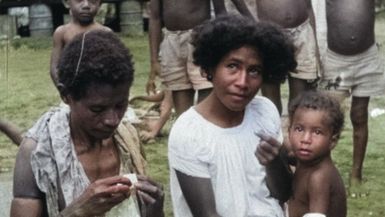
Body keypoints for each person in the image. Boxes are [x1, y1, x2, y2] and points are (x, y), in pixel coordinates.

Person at [11, 30, 164, 217]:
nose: (113, 120)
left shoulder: (126, 140)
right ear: (66, 96)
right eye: (97, 110)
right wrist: (79, 211)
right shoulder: (37, 152)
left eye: (120, 105)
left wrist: (155, 210)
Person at [168, 14, 296, 217]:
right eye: (232, 66)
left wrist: (274, 162)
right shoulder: (188, 132)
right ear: (210, 67)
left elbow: (283, 193)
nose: (243, 82)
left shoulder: (264, 111)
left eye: (254, 71)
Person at [147, 0, 254, 116]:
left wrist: (223, 40)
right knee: (179, 89)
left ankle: (208, 128)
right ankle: (186, 130)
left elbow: (221, 12)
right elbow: (154, 18)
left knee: (206, 87)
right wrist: (154, 61)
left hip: (200, 39)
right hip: (172, 43)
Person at [319, 0, 385, 186]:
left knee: (359, 115)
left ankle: (356, 173)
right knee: (327, 117)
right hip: (335, 60)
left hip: (367, 58)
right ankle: (323, 169)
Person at [253, 0, 319, 115]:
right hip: (269, 35)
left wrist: (315, 43)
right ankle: (274, 131)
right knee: (271, 102)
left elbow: (308, 6)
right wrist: (256, 28)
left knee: (299, 101)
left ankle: (295, 130)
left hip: (302, 32)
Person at [287, 91, 347, 217]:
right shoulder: (305, 159)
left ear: (332, 141)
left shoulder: (318, 178)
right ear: (289, 131)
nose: (305, 139)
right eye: (299, 129)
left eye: (317, 132)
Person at [50, 0, 111, 88]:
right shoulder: (62, 32)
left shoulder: (106, 33)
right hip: (72, 89)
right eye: (79, 0)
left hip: (101, 89)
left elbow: (115, 66)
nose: (86, 5)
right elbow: (54, 67)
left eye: (93, 1)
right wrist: (64, 90)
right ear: (67, 3)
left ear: (100, 5)